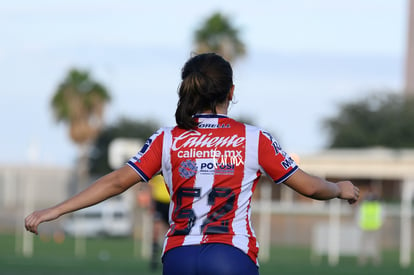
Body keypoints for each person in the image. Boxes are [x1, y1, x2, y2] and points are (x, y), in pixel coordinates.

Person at [25, 53, 360, 275]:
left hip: (178, 258)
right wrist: (340, 189)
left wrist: (55, 210)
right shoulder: (254, 138)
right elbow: (310, 187)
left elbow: (115, 182)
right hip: (230, 255)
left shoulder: (167, 138)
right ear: (231, 91)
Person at [357, 189, 384, 266]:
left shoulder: (364, 205)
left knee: (365, 245)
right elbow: (382, 216)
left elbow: (359, 216)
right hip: (373, 227)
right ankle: (375, 261)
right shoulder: (378, 205)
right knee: (374, 246)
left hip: (368, 227)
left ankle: (363, 261)